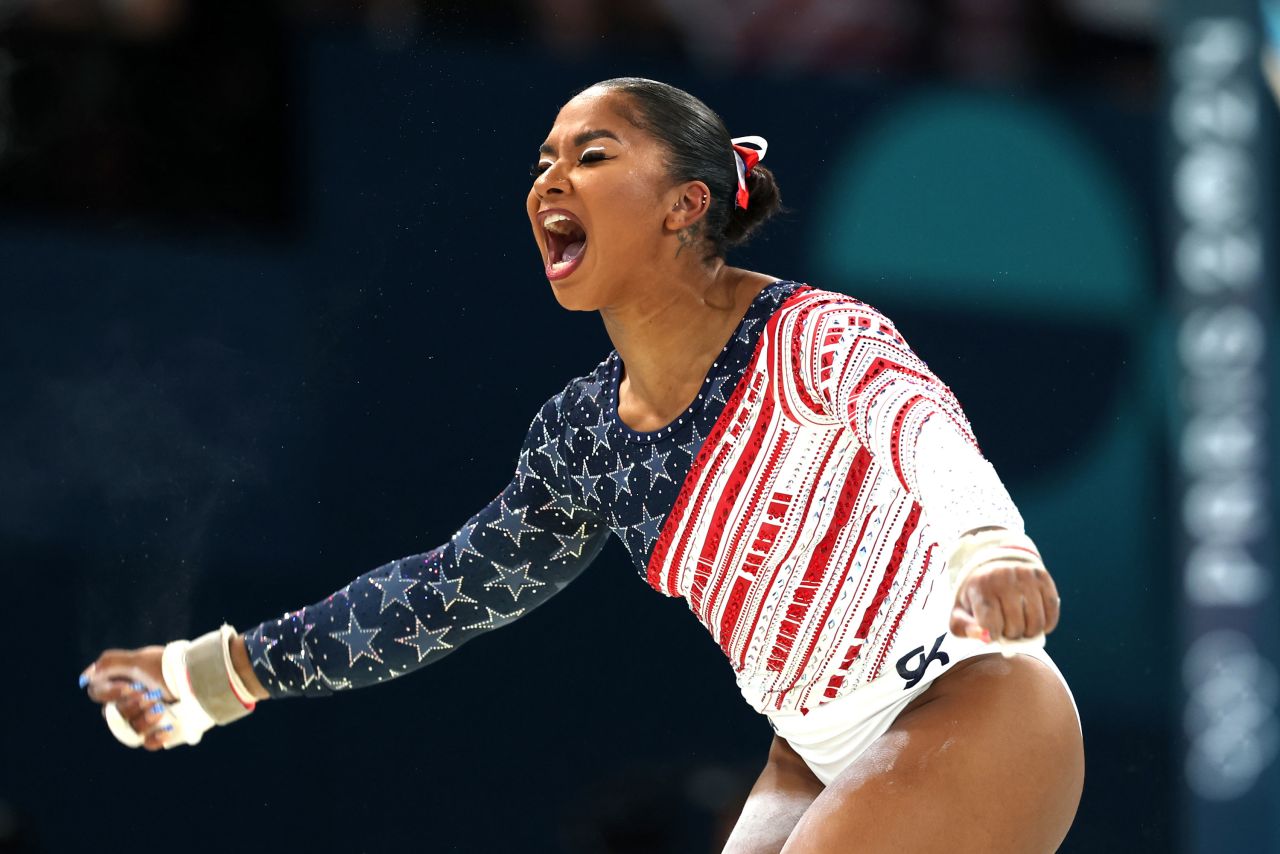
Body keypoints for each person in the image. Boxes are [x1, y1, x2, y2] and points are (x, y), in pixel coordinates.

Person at [80, 78, 1084, 852]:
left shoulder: (808, 335)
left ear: (684, 203)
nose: (549, 181)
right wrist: (203, 677)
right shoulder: (583, 436)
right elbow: (442, 592)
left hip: (965, 699)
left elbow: (920, 424)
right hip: (811, 748)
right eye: (543, 161)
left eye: (590, 155)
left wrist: (986, 543)